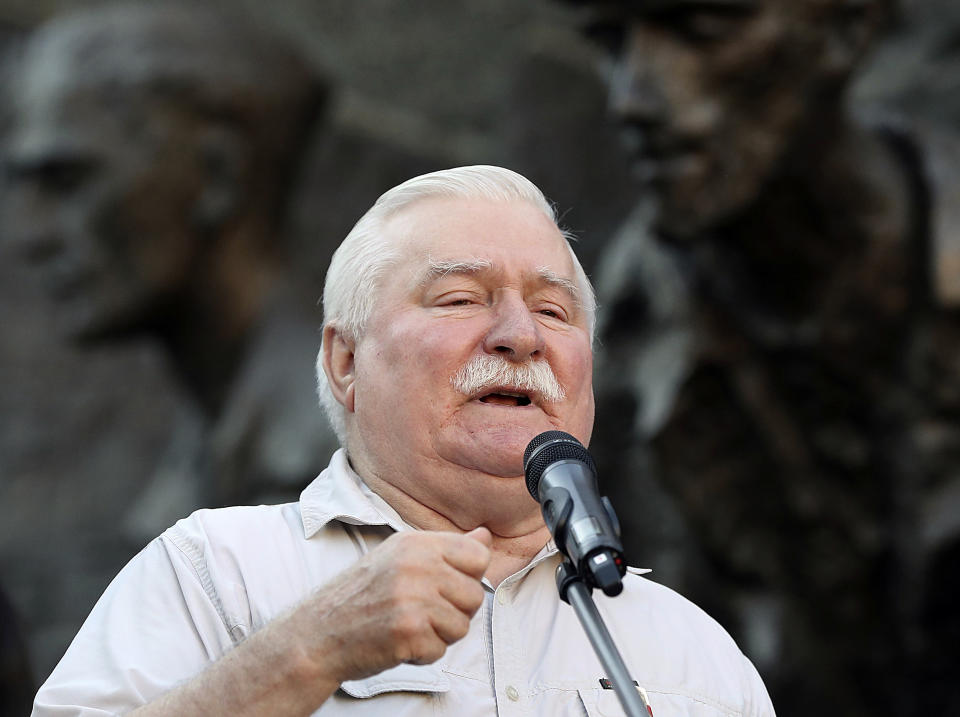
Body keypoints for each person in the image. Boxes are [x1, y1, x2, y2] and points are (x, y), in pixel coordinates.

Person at [30, 166, 775, 716]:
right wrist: (307, 649)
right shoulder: (216, 572)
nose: (521, 335)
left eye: (553, 310)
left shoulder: (694, 652)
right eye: (459, 299)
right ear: (346, 360)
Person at [570, 0, 960, 714]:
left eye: (703, 29)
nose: (632, 98)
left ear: (846, 31)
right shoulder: (610, 367)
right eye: (609, 39)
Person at [4, 2, 338, 535]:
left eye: (69, 182)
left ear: (217, 176)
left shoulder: (347, 450)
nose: (31, 237)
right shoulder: (206, 449)